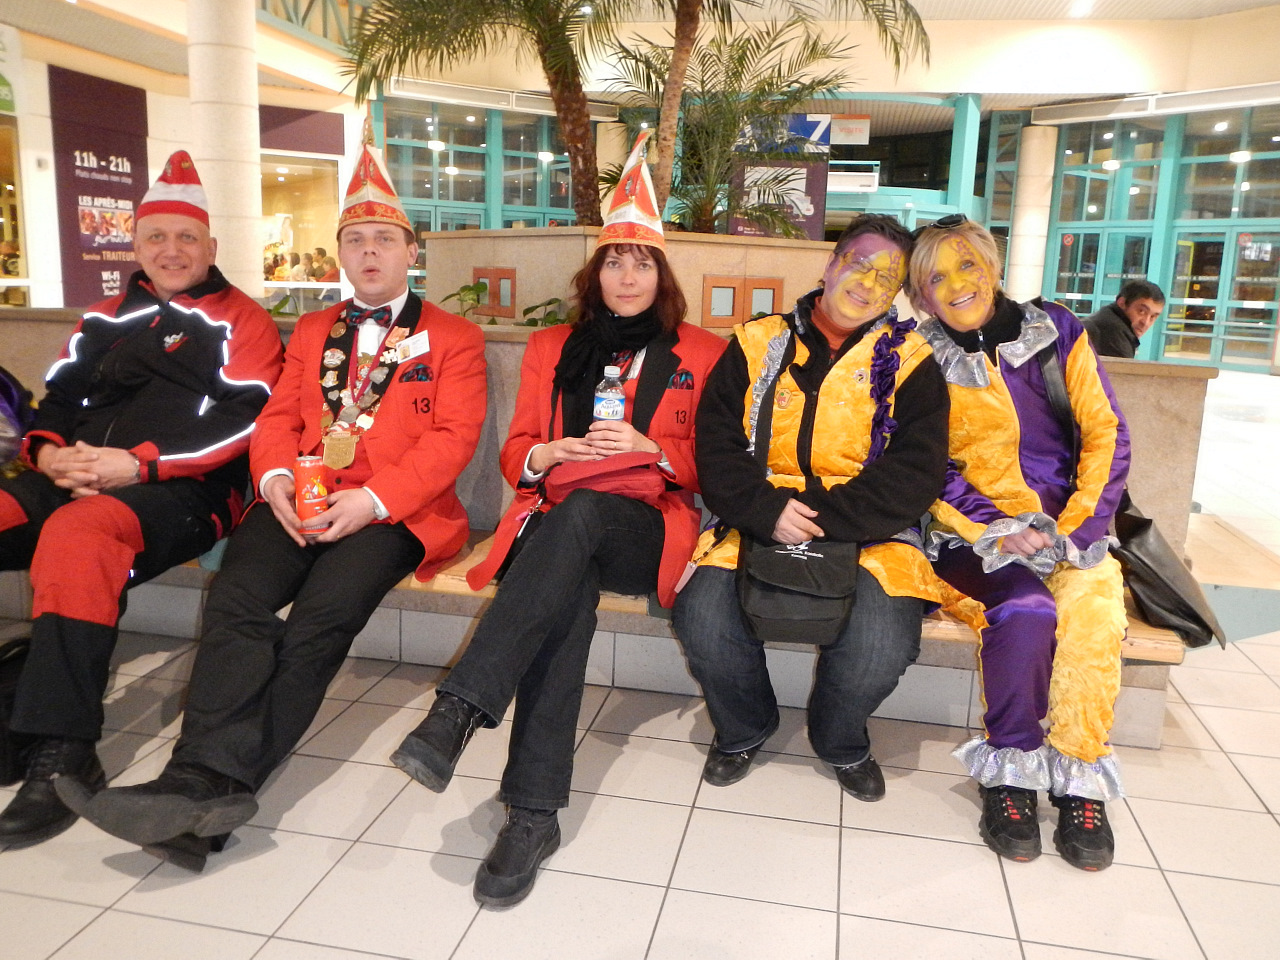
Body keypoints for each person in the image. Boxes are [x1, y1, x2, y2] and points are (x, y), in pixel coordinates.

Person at [59, 143, 488, 872]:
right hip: (300, 499)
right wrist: (276, 482)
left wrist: (372, 500)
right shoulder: (314, 330)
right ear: (341, 253)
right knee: (237, 599)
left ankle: (207, 786)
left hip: (394, 515)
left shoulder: (454, 338)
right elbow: (278, 417)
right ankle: (201, 785)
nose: (370, 251)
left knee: (320, 619)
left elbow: (452, 441)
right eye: (356, 240)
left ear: (412, 252)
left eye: (385, 239)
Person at [388, 131, 725, 907]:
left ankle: (458, 710)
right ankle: (532, 814)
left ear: (663, 275)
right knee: (562, 594)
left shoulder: (703, 353)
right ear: (594, 272)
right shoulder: (552, 346)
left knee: (585, 518)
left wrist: (651, 447)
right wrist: (546, 452)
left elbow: (714, 467)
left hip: (646, 526)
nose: (627, 275)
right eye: (615, 261)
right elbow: (515, 456)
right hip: (559, 521)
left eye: (642, 262)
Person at [0, 151, 283, 847]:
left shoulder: (242, 320)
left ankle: (63, 750)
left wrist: (139, 463)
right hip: (73, 475)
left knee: (80, 536)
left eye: (187, 237)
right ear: (135, 244)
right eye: (157, 236)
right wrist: (48, 454)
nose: (171, 249)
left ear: (212, 246)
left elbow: (245, 423)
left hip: (186, 490)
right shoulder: (100, 318)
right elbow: (55, 403)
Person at [671, 214, 950, 800]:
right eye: (859, 264)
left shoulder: (912, 360)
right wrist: (765, 509)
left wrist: (820, 517)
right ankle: (746, 727)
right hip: (756, 516)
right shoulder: (756, 342)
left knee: (881, 645)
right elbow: (716, 443)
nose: (868, 283)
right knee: (702, 618)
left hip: (873, 530)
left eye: (887, 277)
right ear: (831, 264)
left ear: (897, 293)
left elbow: (917, 471)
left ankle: (839, 738)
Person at [905, 215, 1130, 871]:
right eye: (936, 278)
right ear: (922, 295)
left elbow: (1105, 433)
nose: (956, 285)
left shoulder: (1057, 330)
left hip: (1072, 530)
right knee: (1026, 611)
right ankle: (1011, 771)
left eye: (966, 265)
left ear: (992, 265)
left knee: (1094, 612)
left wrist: (1078, 529)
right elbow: (926, 465)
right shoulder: (916, 356)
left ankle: (1080, 777)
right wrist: (1000, 529)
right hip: (969, 537)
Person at [1082, 280, 1165, 359]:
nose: (1146, 323)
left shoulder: (1103, 318)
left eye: (1153, 316)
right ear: (1122, 303)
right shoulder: (1112, 331)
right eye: (1141, 311)